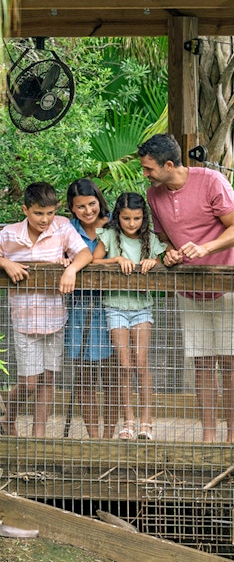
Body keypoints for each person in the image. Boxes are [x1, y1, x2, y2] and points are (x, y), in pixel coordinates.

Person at [138, 133, 234, 444]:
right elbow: (165, 236)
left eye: (149, 168)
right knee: (202, 362)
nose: (146, 174)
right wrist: (168, 251)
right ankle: (208, 436)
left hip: (227, 281)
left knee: (230, 360)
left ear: (170, 165)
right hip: (189, 288)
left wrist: (207, 248)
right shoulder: (154, 195)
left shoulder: (212, 181)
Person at [0, 182, 92, 437]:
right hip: (25, 319)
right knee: (29, 382)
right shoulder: (8, 234)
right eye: (39, 213)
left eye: (50, 213)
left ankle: (38, 432)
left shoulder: (61, 226)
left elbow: (84, 253)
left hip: (55, 317)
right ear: (25, 210)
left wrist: (71, 268)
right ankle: (9, 415)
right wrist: (5, 262)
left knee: (48, 378)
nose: (45, 219)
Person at [93, 192, 166, 440]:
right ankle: (129, 421)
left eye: (136, 218)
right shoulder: (110, 236)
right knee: (124, 364)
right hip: (114, 306)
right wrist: (116, 259)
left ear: (143, 217)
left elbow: (161, 259)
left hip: (142, 308)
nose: (131, 224)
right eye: (126, 218)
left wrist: (152, 262)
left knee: (141, 362)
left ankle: (147, 421)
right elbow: (94, 261)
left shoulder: (151, 239)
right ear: (118, 217)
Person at [65, 179, 119, 439]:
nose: (87, 211)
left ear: (99, 201)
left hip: (111, 306)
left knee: (111, 376)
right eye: (80, 206)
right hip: (78, 307)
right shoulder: (67, 229)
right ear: (72, 209)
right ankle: (93, 438)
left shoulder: (115, 224)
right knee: (85, 377)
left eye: (91, 204)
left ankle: (109, 436)